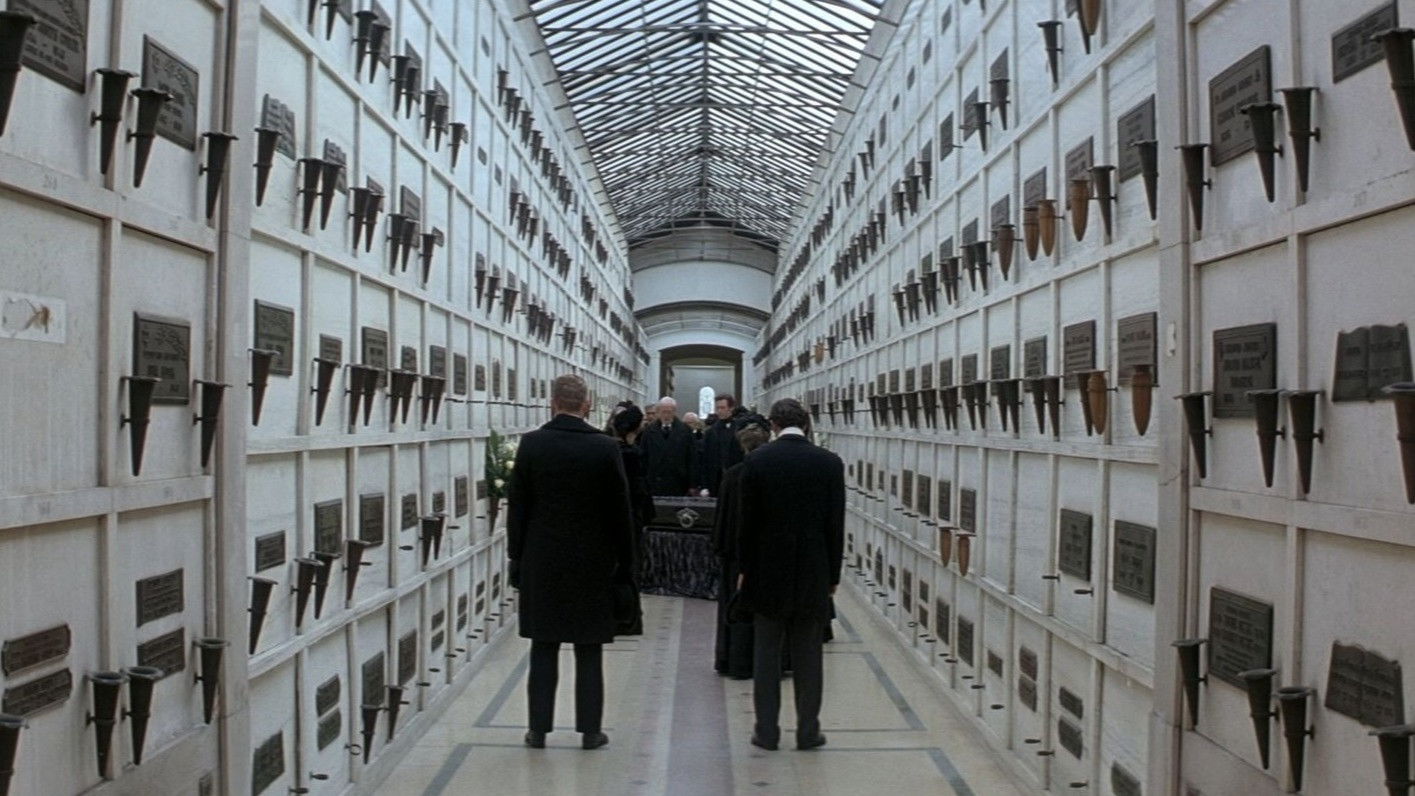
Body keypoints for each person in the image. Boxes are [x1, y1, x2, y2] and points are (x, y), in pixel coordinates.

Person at [507, 375, 636, 751]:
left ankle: (538, 730)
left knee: (543, 647)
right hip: (592, 562)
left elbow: (518, 508)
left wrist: (517, 558)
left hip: (542, 559)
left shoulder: (532, 444)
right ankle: (590, 731)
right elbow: (620, 511)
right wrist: (626, 564)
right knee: (589, 647)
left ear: (553, 402)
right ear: (586, 404)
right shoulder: (604, 447)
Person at [736, 398, 845, 752]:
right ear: (807, 422)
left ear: (773, 425)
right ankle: (808, 731)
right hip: (813, 570)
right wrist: (833, 575)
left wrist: (744, 569)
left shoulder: (757, 461)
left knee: (767, 654)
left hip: (766, 571)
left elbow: (747, 524)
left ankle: (766, 732)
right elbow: (835, 525)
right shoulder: (829, 463)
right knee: (808, 655)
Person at [713, 421, 772, 679]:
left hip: (735, 554)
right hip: (765, 553)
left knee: (736, 606)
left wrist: (720, 549)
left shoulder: (733, 475)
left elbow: (723, 517)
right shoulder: (772, 473)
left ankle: (735, 660)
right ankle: (768, 661)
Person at [639, 397, 698, 495]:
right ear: (658, 412)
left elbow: (692, 458)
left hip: (679, 482)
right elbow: (643, 457)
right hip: (654, 482)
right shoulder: (649, 431)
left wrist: (693, 484)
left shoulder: (685, 431)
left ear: (674, 412)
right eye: (663, 412)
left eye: (669, 412)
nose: (666, 416)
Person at [699, 394, 753, 496]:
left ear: (731, 408)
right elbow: (705, 459)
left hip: (736, 479)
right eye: (717, 408)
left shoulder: (741, 429)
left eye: (722, 408)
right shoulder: (711, 432)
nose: (719, 411)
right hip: (715, 481)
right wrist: (704, 485)